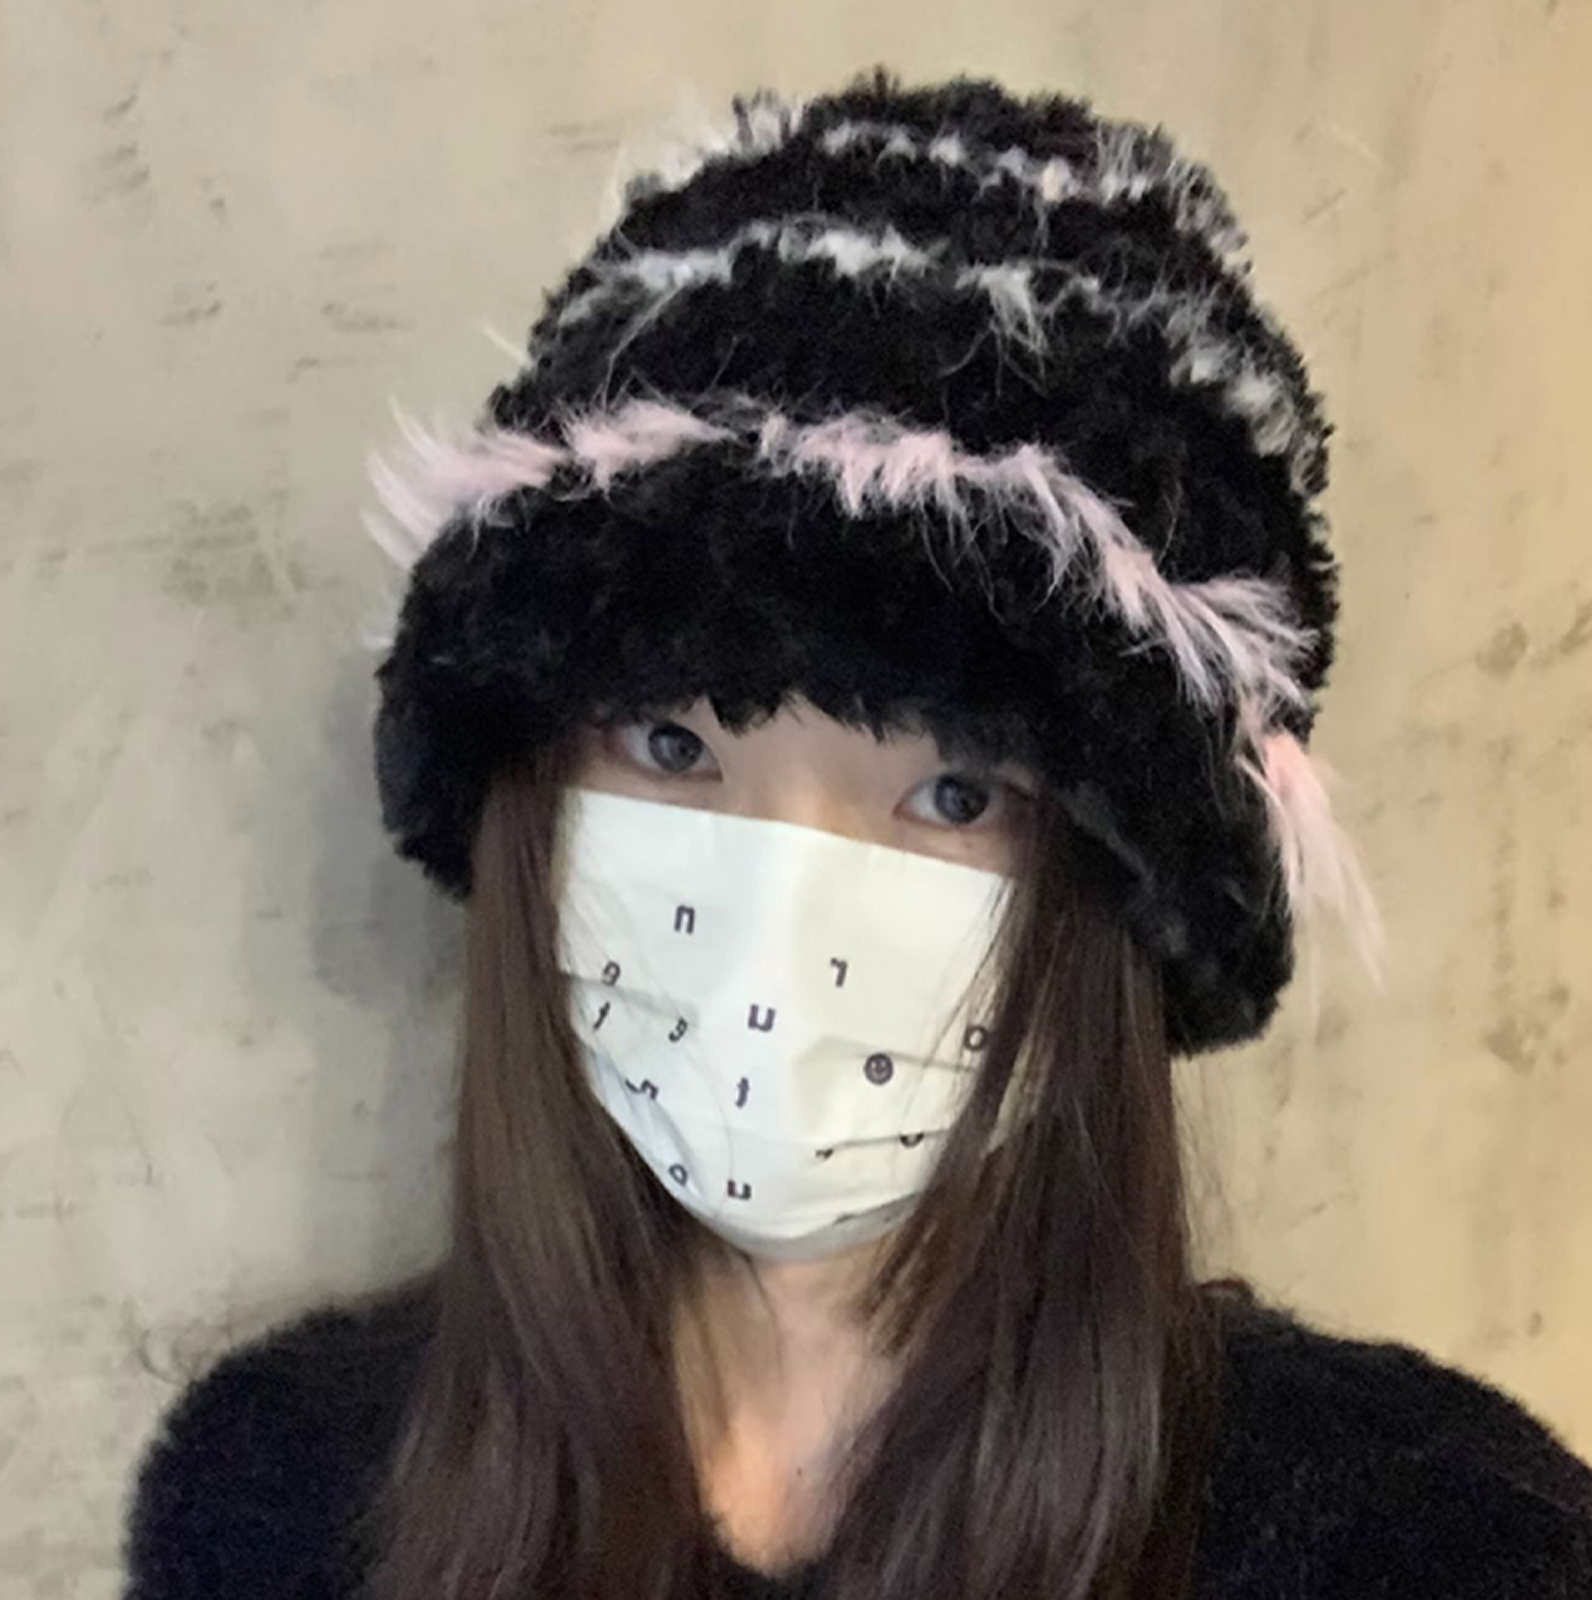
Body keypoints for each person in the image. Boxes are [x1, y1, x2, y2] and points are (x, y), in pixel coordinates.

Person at [120, 67, 1592, 1600]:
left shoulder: (1432, 1544)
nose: (776, 928)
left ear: (1130, 893)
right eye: (674, 745)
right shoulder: (280, 1492)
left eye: (957, 793)